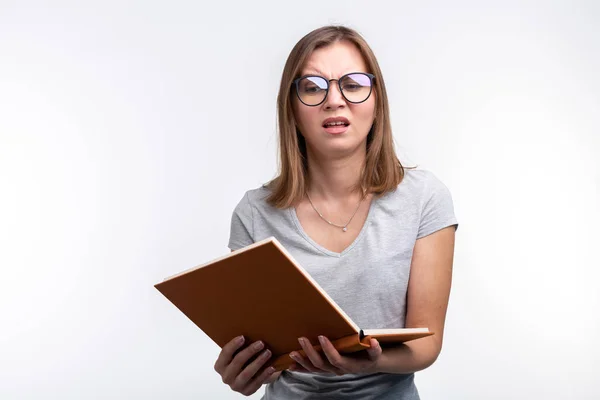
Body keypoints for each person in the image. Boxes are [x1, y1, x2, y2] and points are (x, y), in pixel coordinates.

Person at [213, 25, 458, 399]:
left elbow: (428, 342)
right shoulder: (254, 212)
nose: (334, 100)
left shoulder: (424, 198)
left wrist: (369, 361)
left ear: (377, 101)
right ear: (291, 109)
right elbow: (259, 346)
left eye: (353, 83)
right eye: (313, 87)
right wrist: (243, 372)